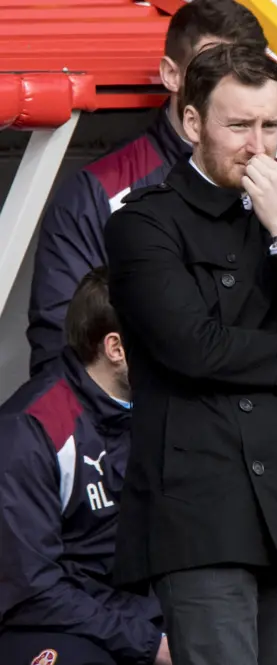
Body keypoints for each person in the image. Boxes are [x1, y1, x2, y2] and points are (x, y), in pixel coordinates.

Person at [103, 42, 277, 665]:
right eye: (239, 125)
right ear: (193, 123)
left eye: (271, 125)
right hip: (202, 504)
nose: (258, 144)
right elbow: (194, 347)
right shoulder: (143, 222)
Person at [27, 0, 268, 377]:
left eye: (247, 73)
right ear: (171, 75)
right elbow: (63, 356)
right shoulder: (95, 195)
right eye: (210, 70)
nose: (230, 89)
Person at [0, 267, 169, 665]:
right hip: (47, 621)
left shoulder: (161, 410)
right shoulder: (32, 426)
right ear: (116, 349)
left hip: (139, 616)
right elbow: (31, 589)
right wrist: (149, 642)